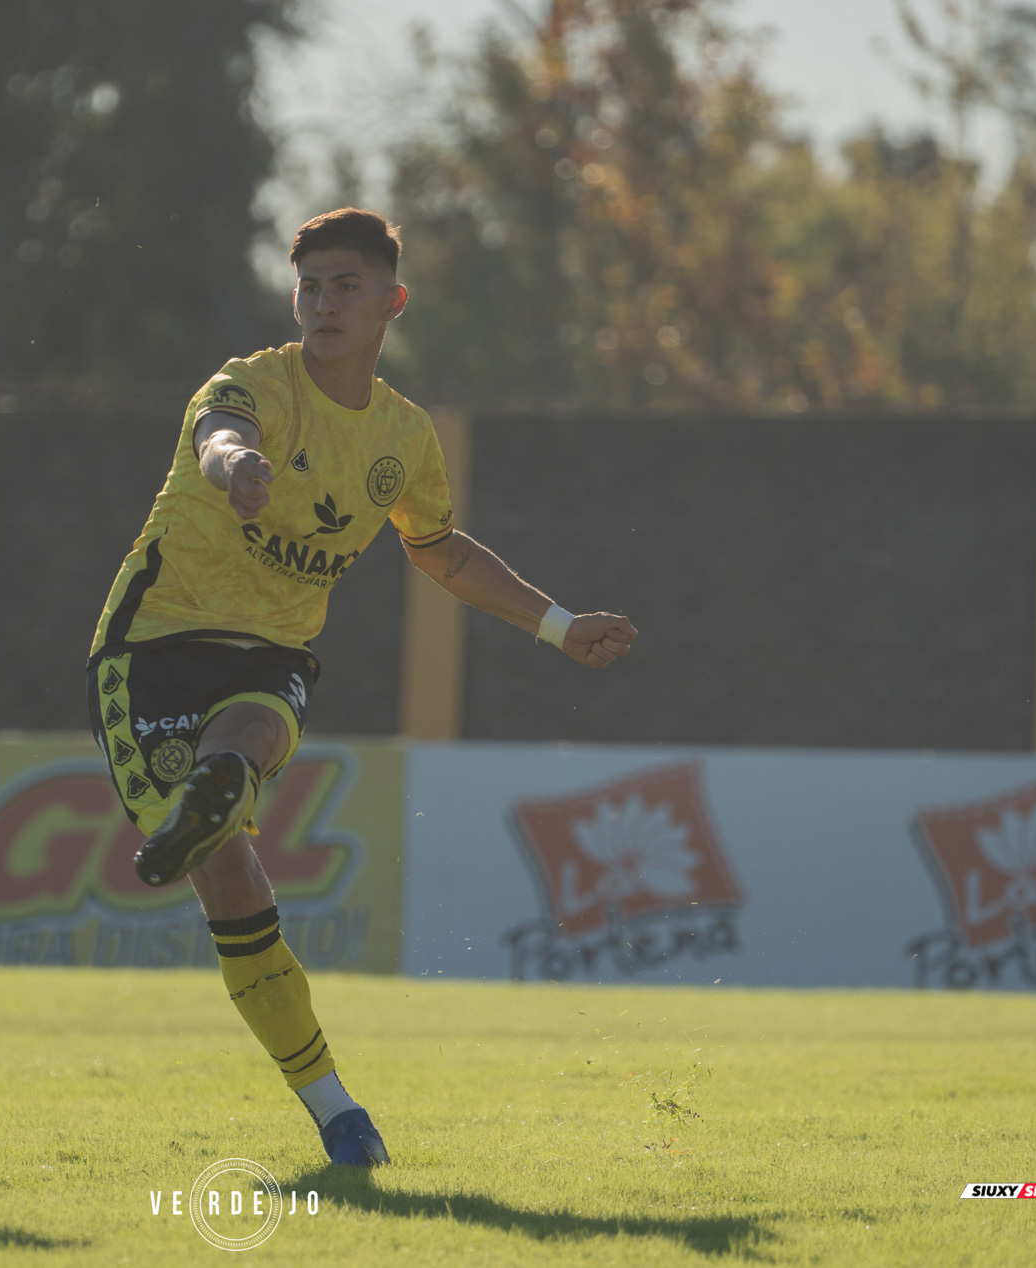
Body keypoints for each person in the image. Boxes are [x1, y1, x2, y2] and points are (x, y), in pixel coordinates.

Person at [84, 208, 637, 1167]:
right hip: (155, 645)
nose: (324, 304)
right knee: (230, 875)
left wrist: (556, 624)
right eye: (310, 286)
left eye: (346, 287)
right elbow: (219, 436)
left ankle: (221, 797)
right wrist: (236, 465)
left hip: (272, 652)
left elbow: (442, 551)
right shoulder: (252, 384)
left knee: (252, 731)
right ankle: (332, 1098)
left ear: (392, 303)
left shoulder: (403, 438)